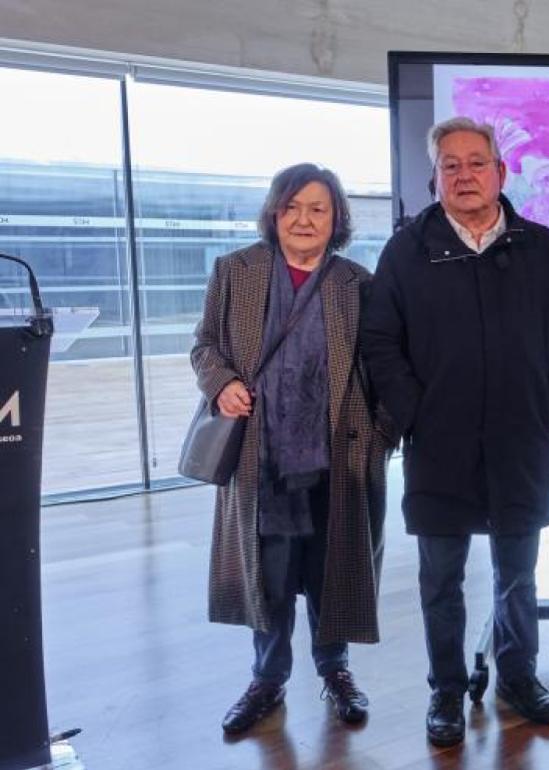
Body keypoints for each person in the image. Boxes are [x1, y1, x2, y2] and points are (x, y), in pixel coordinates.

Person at [360, 117, 549, 748]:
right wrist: (412, 412)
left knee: (519, 571)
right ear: (435, 178)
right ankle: (446, 689)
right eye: (450, 165)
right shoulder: (406, 249)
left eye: (476, 162)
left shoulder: (542, 246)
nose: (464, 175)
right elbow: (380, 342)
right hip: (440, 442)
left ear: (500, 172)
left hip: (522, 437)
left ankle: (519, 676)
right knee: (441, 576)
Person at [190, 163, 388, 735]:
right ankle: (267, 679)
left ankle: (336, 671)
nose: (304, 219)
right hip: (262, 456)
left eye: (318, 209)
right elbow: (204, 344)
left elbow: (379, 368)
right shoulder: (236, 272)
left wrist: (380, 438)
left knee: (334, 571)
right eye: (292, 207)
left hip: (337, 458)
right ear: (275, 214)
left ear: (337, 219)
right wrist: (221, 382)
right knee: (269, 577)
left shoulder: (358, 283)